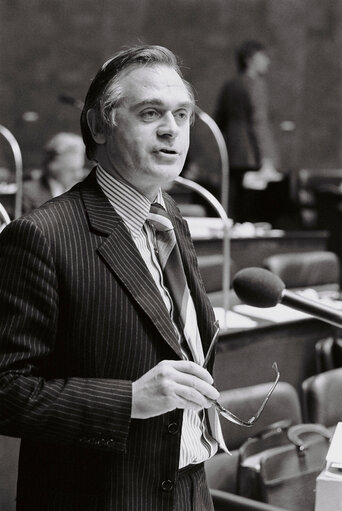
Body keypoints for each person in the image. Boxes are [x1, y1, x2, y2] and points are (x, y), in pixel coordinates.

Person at [0, 45, 228, 511]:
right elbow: (5, 389)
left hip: (187, 493)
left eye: (182, 115)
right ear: (99, 126)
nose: (172, 130)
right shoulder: (41, 236)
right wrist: (128, 399)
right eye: (150, 113)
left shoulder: (172, 220)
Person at [214, 40, 282, 221]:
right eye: (263, 57)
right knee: (254, 209)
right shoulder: (256, 85)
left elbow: (219, 119)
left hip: (233, 151)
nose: (267, 61)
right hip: (253, 154)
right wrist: (266, 158)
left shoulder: (230, 85)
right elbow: (258, 122)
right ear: (250, 59)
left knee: (237, 205)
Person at [22, 132, 86, 214]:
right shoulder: (29, 193)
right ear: (54, 167)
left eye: (80, 168)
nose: (79, 175)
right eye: (72, 170)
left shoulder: (82, 192)